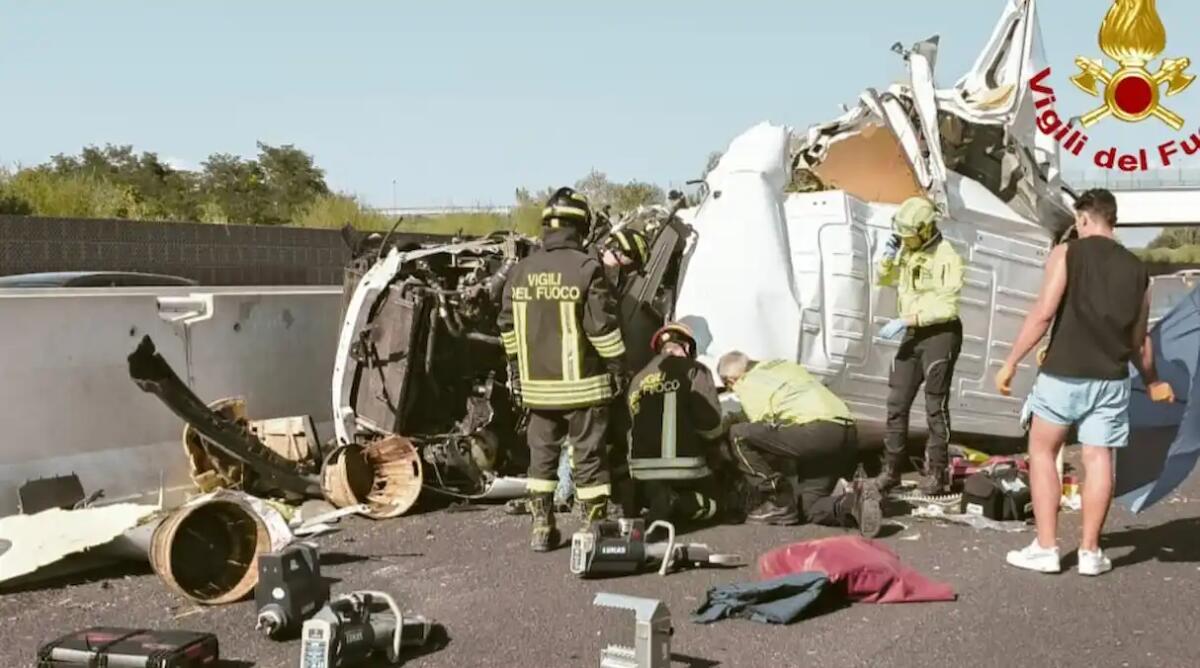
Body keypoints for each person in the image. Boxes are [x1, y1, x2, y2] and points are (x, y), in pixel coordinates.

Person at [996, 188, 1174, 576]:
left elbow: (1043, 314)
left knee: (1043, 452)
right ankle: (1091, 553)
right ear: (1113, 219)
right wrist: (1154, 380)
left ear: (1083, 219)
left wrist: (1011, 361)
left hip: (1063, 374)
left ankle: (1046, 548)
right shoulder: (1140, 272)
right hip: (1110, 379)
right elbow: (1138, 338)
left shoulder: (1066, 254)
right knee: (1098, 460)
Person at [497, 186, 629, 552]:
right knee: (587, 456)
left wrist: (517, 372)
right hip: (583, 387)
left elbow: (507, 328)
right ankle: (591, 527)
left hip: (537, 388)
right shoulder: (587, 269)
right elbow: (601, 330)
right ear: (580, 226)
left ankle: (542, 527)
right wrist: (619, 368)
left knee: (541, 457)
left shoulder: (520, 271)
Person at [716, 351, 883, 537]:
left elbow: (760, 428)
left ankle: (777, 500)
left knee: (738, 434)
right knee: (809, 508)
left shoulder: (746, 383)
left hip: (817, 432)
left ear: (730, 380)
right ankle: (853, 503)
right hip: (847, 431)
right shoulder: (782, 365)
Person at [875, 195, 965, 495]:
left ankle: (937, 473)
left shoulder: (947, 256)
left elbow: (948, 307)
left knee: (934, 406)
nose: (905, 241)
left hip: (940, 334)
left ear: (925, 230)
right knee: (896, 403)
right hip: (913, 332)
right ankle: (891, 471)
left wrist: (908, 319)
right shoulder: (908, 250)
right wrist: (887, 258)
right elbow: (885, 279)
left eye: (909, 237)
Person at [624, 323, 730, 525]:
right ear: (688, 348)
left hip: (642, 469)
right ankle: (678, 501)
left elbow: (631, 420)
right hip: (687, 468)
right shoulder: (695, 370)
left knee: (654, 491)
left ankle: (654, 497)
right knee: (717, 504)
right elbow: (710, 424)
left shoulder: (638, 379)